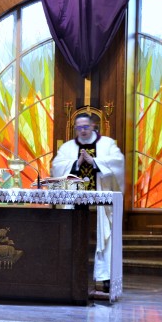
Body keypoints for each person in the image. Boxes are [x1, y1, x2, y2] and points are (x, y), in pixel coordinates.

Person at [51, 113, 124, 293]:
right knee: (71, 234)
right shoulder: (68, 147)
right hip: (74, 198)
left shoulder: (107, 144)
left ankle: (105, 277)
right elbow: (57, 167)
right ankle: (69, 276)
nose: (82, 131)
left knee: (106, 235)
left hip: (101, 201)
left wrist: (95, 162)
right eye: (79, 128)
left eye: (86, 127)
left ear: (93, 126)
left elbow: (118, 163)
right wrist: (77, 163)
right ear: (75, 129)